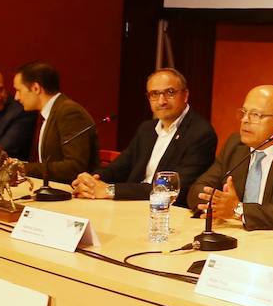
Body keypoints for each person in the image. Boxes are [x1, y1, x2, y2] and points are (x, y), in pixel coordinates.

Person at [70, 68, 216, 206]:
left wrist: (110, 190)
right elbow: (119, 167)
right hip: (133, 205)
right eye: (154, 94)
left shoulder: (201, 133)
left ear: (185, 95)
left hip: (169, 213)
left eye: (170, 92)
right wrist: (91, 181)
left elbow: (174, 188)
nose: (161, 101)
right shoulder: (147, 129)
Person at [188, 85, 273, 231]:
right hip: (232, 232)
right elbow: (197, 189)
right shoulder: (235, 145)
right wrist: (217, 204)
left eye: (256, 115)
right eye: (244, 112)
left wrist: (237, 210)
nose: (245, 120)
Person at [12, 61, 99, 183]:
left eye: (19, 90)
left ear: (36, 88)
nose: (16, 97)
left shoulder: (69, 112)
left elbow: (74, 167)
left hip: (71, 192)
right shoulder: (50, 112)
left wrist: (23, 168)